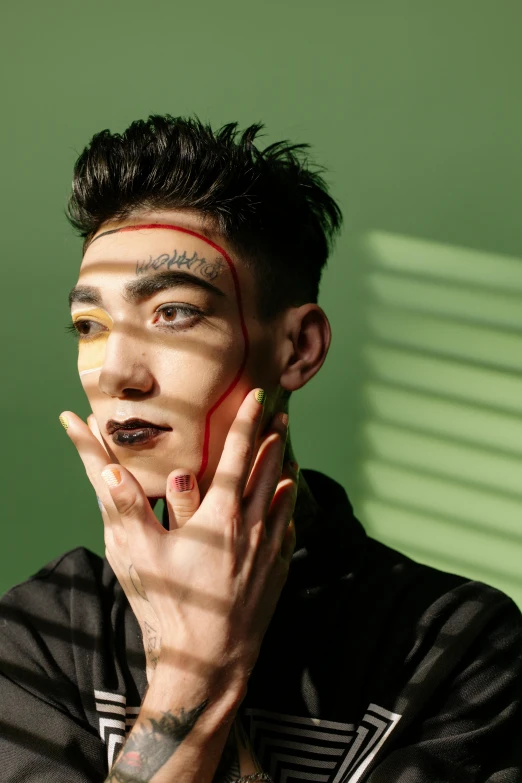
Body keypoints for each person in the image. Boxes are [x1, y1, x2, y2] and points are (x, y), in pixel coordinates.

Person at [0, 116, 520, 783]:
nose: (117, 371)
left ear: (298, 348)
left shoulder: (456, 645)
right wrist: (192, 679)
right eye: (89, 324)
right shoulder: (44, 632)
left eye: (175, 312)